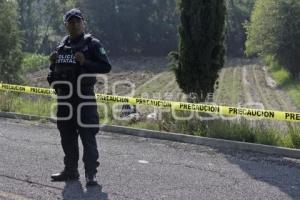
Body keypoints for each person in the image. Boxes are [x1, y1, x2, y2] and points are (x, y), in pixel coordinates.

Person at [47, 8, 111, 186]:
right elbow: (53, 75)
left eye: (77, 21)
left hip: (84, 100)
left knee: (87, 137)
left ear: (83, 23)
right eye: (70, 22)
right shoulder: (61, 46)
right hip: (64, 100)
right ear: (66, 25)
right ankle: (70, 171)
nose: (74, 24)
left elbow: (106, 66)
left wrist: (85, 62)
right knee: (66, 137)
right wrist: (52, 65)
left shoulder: (92, 44)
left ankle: (91, 174)